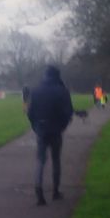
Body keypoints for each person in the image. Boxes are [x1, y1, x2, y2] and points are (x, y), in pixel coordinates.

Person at [27, 65, 74, 206]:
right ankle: (55, 191)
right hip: (55, 129)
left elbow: (30, 113)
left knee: (40, 160)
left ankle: (39, 191)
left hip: (41, 128)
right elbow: (68, 112)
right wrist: (62, 126)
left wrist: (35, 126)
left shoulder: (35, 91)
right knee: (56, 160)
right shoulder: (62, 90)